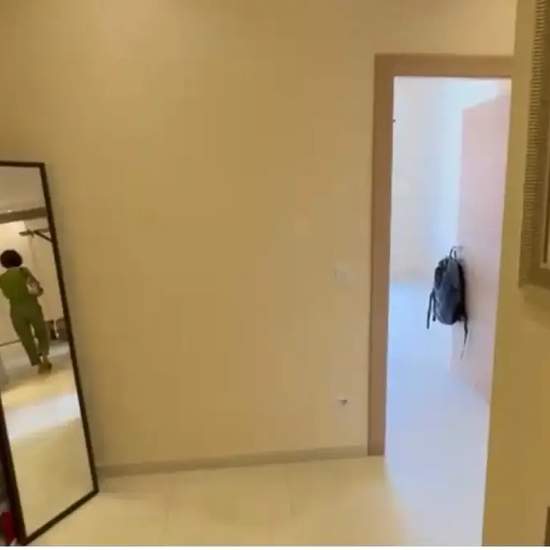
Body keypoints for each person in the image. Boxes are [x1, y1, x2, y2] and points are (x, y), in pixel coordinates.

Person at [0, 250, 51, 374]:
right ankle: (45, 357)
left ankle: (38, 363)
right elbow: (35, 289)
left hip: (15, 310)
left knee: (25, 338)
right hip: (31, 305)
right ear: (17, 258)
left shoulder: (2, 278)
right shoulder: (23, 271)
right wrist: (39, 290)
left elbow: (6, 295)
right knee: (41, 331)